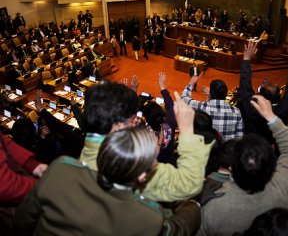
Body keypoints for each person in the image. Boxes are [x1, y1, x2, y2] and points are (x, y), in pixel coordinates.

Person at [14, 125, 201, 235]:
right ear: (142, 176)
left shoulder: (60, 168)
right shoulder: (149, 217)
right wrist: (194, 206)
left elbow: (22, 222)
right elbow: (176, 229)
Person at [79, 81, 213, 202]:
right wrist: (187, 129)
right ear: (117, 125)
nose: (136, 122)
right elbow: (188, 184)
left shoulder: (90, 146)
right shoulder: (129, 160)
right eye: (133, 119)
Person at [196, 95, 288, 235]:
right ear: (273, 167)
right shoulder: (283, 185)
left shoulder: (212, 206)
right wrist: (271, 117)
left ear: (232, 167)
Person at [240, 40, 288, 143]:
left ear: (261, 97)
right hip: (272, 144)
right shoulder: (283, 108)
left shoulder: (253, 108)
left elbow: (245, 85)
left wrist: (246, 59)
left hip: (252, 144)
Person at [181, 77, 244, 141]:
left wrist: (191, 82)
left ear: (210, 94)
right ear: (226, 95)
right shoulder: (236, 112)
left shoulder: (202, 107)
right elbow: (239, 137)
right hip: (227, 149)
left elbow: (183, 98)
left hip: (206, 149)